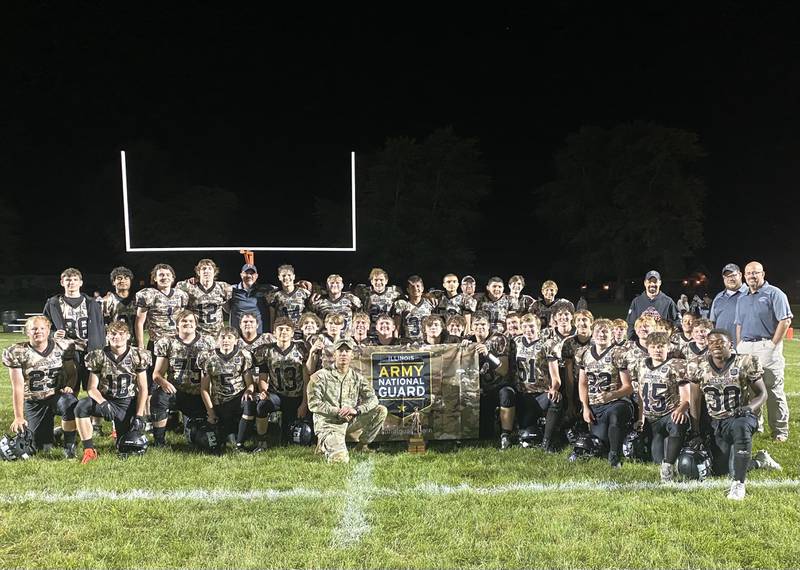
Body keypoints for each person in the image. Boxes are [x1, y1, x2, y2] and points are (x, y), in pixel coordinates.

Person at [686, 329, 771, 499]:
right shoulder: (697, 366)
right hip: (716, 422)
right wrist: (695, 431)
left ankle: (739, 484)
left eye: (721, 342)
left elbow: (763, 394)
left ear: (730, 345)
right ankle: (760, 460)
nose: (716, 345)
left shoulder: (745, 362)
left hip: (739, 417)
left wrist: (748, 408)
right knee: (720, 469)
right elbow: (695, 400)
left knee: (740, 427)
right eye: (712, 342)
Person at [3, 316, 79, 457]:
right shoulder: (17, 352)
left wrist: (69, 386)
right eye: (34, 329)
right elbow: (18, 387)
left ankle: (70, 447)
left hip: (56, 396)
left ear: (49, 330)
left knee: (70, 402)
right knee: (42, 447)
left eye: (42, 328)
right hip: (34, 401)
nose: (38, 331)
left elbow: (72, 373)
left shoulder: (63, 346)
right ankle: (56, 433)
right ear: (27, 332)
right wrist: (19, 417)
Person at [75, 321, 150, 464]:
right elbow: (91, 387)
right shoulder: (98, 356)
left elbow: (143, 388)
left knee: (125, 446)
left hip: (127, 403)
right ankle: (89, 450)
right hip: (107, 399)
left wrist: (139, 415)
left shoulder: (138, 355)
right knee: (81, 406)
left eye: (121, 334)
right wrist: (102, 403)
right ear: (107, 336)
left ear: (128, 336)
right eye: (113, 334)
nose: (117, 337)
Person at [734, 261, 792, 442]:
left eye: (756, 273)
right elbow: (739, 324)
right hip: (746, 347)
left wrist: (773, 345)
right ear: (744, 276)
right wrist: (739, 344)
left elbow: (785, 320)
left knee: (773, 390)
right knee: (750, 390)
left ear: (763, 274)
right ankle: (755, 425)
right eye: (749, 273)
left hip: (766, 345)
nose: (752, 276)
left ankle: (780, 430)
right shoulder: (742, 297)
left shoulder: (774, 293)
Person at [306, 338, 388, 463]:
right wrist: (337, 411)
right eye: (340, 351)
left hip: (349, 421)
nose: (344, 354)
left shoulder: (357, 378)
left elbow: (373, 399)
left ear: (352, 355)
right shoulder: (320, 376)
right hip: (329, 424)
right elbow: (313, 404)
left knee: (380, 410)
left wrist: (356, 410)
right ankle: (324, 443)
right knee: (340, 460)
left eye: (347, 351)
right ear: (334, 355)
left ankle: (362, 446)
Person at [150, 310, 216, 447]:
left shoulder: (207, 342)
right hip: (177, 392)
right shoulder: (167, 342)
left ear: (196, 325)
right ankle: (159, 441)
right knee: (159, 397)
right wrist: (163, 382)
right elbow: (156, 374)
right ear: (177, 325)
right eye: (184, 321)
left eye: (191, 321)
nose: (188, 323)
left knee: (201, 437)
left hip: (200, 395)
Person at [630, 332, 690, 482]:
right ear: (648, 349)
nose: (657, 350)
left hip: (670, 413)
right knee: (657, 459)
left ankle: (669, 466)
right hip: (652, 418)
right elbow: (641, 394)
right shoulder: (640, 364)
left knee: (678, 421)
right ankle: (670, 459)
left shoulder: (676, 365)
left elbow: (686, 397)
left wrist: (681, 409)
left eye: (661, 346)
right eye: (654, 347)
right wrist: (641, 417)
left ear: (668, 347)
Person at [578, 319, 633, 468]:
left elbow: (629, 387)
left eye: (605, 331)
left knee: (615, 414)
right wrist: (585, 406)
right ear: (592, 335)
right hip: (596, 405)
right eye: (598, 331)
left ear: (612, 334)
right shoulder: (584, 353)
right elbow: (582, 383)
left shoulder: (618, 354)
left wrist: (612, 395)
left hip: (617, 402)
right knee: (600, 442)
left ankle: (614, 455)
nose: (602, 334)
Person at [43, 267, 106, 392]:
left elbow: (100, 328)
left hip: (90, 350)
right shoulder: (53, 303)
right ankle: (70, 411)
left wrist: (102, 349)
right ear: (62, 282)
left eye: (75, 279)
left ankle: (93, 411)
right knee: (69, 388)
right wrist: (53, 334)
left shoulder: (92, 303)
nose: (71, 282)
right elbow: (43, 326)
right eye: (68, 280)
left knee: (94, 388)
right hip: (66, 351)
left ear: (81, 282)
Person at [252, 317, 310, 448]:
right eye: (280, 329)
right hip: (276, 395)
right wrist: (263, 391)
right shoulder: (267, 351)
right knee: (262, 405)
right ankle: (262, 440)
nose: (284, 332)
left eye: (287, 329)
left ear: (292, 333)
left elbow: (307, 379)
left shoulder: (301, 348)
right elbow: (263, 376)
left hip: (296, 397)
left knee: (288, 439)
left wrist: (304, 404)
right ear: (274, 332)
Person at [509, 313, 562, 451]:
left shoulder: (547, 344)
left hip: (541, 394)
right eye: (525, 326)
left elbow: (556, 377)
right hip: (522, 395)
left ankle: (547, 442)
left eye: (531, 326)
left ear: (538, 327)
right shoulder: (515, 342)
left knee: (555, 399)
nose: (528, 329)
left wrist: (554, 388)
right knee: (526, 430)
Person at [198, 327, 256, 452]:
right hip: (220, 402)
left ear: (236, 341)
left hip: (238, 399)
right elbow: (204, 389)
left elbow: (250, 383)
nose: (226, 340)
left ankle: (240, 445)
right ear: (217, 340)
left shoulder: (243, 355)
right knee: (223, 437)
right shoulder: (208, 357)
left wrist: (248, 391)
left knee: (250, 403)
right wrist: (211, 412)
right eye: (222, 337)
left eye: (230, 337)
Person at [465, 311, 512, 447]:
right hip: (479, 389)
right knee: (485, 433)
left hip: (497, 386)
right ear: (472, 327)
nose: (480, 327)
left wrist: (488, 354)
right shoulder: (469, 340)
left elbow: (503, 370)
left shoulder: (499, 339)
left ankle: (506, 434)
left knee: (507, 393)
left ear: (489, 326)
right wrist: (463, 348)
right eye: (477, 324)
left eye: (483, 324)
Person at [176, 259, 233, 337]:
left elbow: (229, 309)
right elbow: (176, 291)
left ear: (214, 272)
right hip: (196, 333)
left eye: (210, 268)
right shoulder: (188, 287)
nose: (207, 271)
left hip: (216, 334)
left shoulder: (223, 287)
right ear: (198, 272)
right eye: (203, 269)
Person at [625, 270, 680, 338]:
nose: (652, 284)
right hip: (641, 342)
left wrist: (669, 338)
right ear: (645, 283)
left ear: (660, 283)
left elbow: (677, 323)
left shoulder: (668, 302)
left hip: (660, 343)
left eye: (655, 282)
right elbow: (630, 324)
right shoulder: (637, 301)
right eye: (649, 282)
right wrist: (633, 340)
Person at [229, 263, 275, 335]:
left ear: (256, 276)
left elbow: (285, 288)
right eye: (246, 273)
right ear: (241, 275)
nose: (249, 276)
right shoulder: (232, 290)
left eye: (252, 273)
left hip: (260, 336)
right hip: (239, 336)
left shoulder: (266, 289)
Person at [709, 263, 748, 346]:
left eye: (733, 275)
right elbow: (712, 323)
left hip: (746, 346)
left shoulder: (750, 294)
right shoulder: (718, 297)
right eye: (727, 276)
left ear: (740, 275)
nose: (730, 279)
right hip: (722, 348)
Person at [357, 268, 402, 333]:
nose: (378, 282)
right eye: (376, 280)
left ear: (386, 281)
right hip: (371, 332)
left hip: (387, 332)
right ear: (371, 281)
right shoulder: (365, 294)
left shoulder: (394, 293)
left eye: (381, 280)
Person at [102, 267, 139, 345]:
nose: (123, 281)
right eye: (119, 278)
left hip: (134, 341)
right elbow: (103, 324)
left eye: (126, 278)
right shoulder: (107, 300)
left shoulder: (138, 299)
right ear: (113, 282)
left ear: (130, 281)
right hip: (115, 342)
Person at [392, 275, 435, 341]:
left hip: (426, 342)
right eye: (412, 287)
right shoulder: (402, 304)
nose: (415, 289)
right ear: (408, 290)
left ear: (422, 288)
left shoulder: (430, 303)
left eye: (418, 286)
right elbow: (397, 326)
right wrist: (396, 341)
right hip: (408, 342)